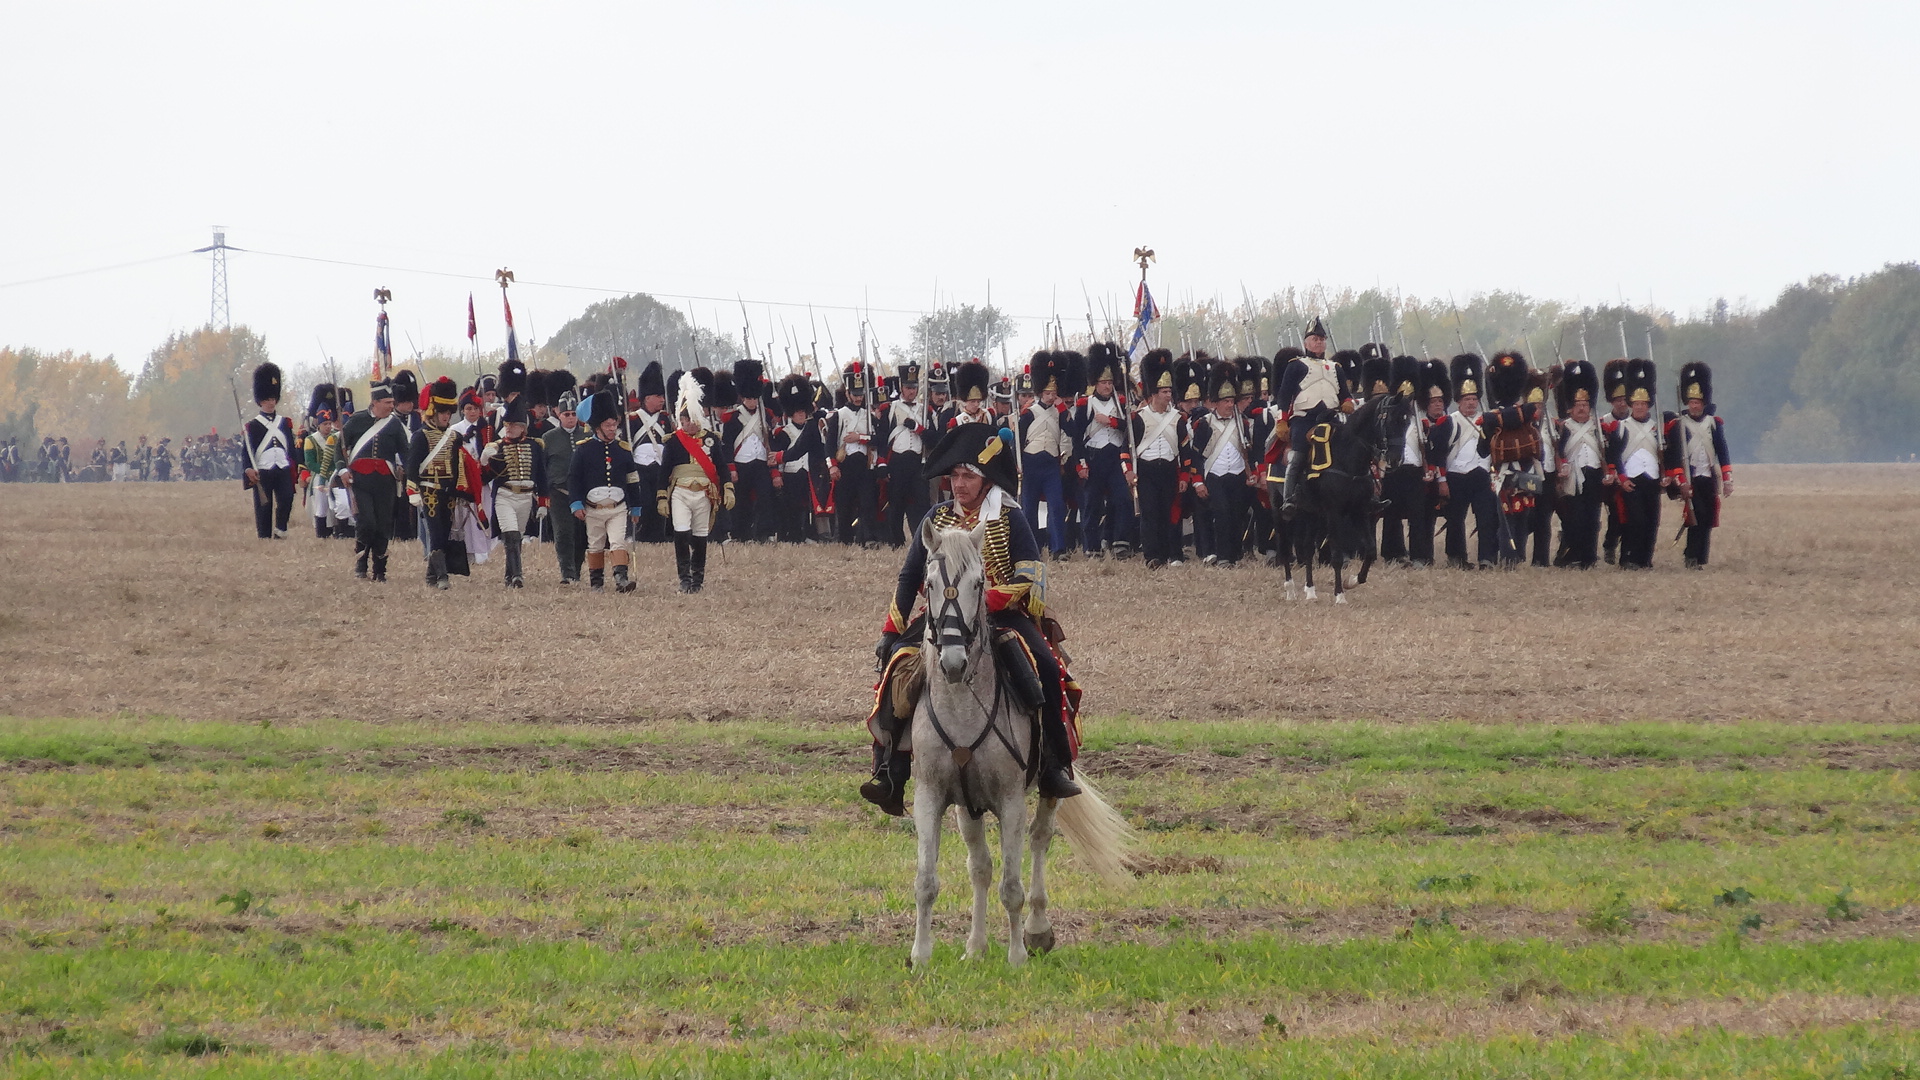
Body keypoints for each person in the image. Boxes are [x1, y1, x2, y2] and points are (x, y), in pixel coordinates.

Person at [862, 422, 1083, 817]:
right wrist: (891, 627)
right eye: (955, 476)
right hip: (944, 617)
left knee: (1047, 668)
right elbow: (910, 575)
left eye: (968, 476)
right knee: (896, 666)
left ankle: (1054, 763)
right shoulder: (938, 517)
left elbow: (1031, 572)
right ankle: (889, 769)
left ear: (986, 481)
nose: (959, 484)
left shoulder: (1009, 516)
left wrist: (990, 600)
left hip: (1003, 616)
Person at [659, 371, 734, 593]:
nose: (689, 424)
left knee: (701, 535)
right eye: (685, 420)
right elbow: (664, 471)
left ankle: (697, 580)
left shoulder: (711, 438)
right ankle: (684, 578)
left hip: (705, 492)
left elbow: (721, 467)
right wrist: (662, 495)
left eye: (692, 419)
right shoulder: (673, 442)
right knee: (681, 533)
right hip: (681, 492)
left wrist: (727, 488)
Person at [567, 388, 647, 594]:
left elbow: (632, 480)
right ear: (597, 427)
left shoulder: (623, 449)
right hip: (593, 508)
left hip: (618, 507)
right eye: (607, 425)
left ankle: (621, 578)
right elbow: (573, 479)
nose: (612, 429)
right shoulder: (583, 450)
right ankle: (596, 582)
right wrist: (575, 503)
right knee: (595, 544)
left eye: (614, 424)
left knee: (618, 541)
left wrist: (636, 506)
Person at [1275, 319, 1353, 520]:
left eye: (1321, 339)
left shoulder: (1336, 367)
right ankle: (1289, 498)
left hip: (1331, 420)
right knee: (1298, 456)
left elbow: (1345, 393)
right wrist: (1282, 421)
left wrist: (1347, 402)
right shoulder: (1296, 366)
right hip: (1305, 420)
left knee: (1351, 451)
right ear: (1307, 343)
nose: (1319, 343)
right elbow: (1284, 396)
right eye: (1315, 339)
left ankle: (1363, 493)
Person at [409, 376, 482, 589]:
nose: (446, 416)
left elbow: (459, 464)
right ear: (433, 412)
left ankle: (432, 575)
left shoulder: (453, 437)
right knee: (436, 533)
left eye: (449, 413)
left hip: (448, 493)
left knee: (445, 530)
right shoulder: (420, 436)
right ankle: (443, 577)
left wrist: (462, 489)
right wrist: (412, 490)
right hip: (429, 491)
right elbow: (412, 465)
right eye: (443, 412)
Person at [1430, 354, 1500, 569]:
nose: (1471, 403)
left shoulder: (1488, 420)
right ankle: (1456, 558)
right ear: (1459, 401)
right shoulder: (1447, 422)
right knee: (1455, 521)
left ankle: (1487, 558)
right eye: (1466, 400)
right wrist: (1442, 480)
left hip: (1482, 476)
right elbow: (1438, 454)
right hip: (1455, 476)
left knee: (1487, 519)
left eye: (1474, 399)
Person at [338, 379, 410, 582]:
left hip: (385, 482)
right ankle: (361, 562)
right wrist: (342, 469)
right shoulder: (356, 420)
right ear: (375, 402)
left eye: (392, 402)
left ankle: (380, 569)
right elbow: (340, 448)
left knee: (383, 525)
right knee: (367, 521)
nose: (391, 406)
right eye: (387, 402)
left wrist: (411, 475)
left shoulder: (394, 424)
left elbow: (405, 452)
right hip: (360, 481)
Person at [1666, 361, 1733, 569]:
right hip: (1690, 478)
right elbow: (1675, 454)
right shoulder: (1679, 424)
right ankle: (1691, 555)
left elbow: (1722, 451)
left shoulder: (1714, 423)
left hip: (1708, 477)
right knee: (1696, 515)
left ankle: (1700, 557)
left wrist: (1728, 479)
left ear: (1704, 403)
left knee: (1708, 518)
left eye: (1698, 402)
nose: (1694, 406)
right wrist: (1680, 480)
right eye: (1692, 402)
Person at [1073, 344, 1136, 559]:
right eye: (1103, 382)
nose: (1107, 386)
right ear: (1096, 383)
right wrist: (1080, 464)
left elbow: (1129, 428)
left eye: (1110, 382)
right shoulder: (1085, 404)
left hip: (1115, 457)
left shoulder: (1121, 403)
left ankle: (1120, 541)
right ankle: (1091, 546)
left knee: (1123, 500)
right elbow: (1077, 437)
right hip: (1094, 457)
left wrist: (1110, 421)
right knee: (1092, 504)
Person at [1190, 359, 1254, 567]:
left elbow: (1248, 451)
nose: (1229, 405)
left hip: (1236, 475)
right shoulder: (1204, 424)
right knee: (1222, 514)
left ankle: (1233, 555)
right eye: (1225, 401)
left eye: (1231, 401)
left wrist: (1251, 472)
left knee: (1237, 516)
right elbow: (1196, 456)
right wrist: (1198, 481)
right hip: (1214, 475)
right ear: (1216, 402)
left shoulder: (1242, 422)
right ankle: (1223, 556)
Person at [480, 394, 549, 588]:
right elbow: (486, 478)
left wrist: (543, 502)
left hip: (526, 497)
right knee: (510, 534)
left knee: (517, 537)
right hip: (505, 496)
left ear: (523, 427)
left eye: (513, 425)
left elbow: (542, 476)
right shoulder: (497, 447)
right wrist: (485, 461)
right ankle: (518, 575)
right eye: (507, 425)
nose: (509, 428)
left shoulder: (535, 446)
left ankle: (509, 575)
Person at [1130, 349, 1190, 569]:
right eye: (1164, 391)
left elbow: (1185, 451)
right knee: (1149, 513)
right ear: (1153, 394)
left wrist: (1184, 475)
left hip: (1168, 469)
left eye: (1169, 391)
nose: (1168, 395)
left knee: (1168, 512)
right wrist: (1129, 470)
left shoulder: (1178, 419)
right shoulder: (1138, 418)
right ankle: (1151, 555)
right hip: (1146, 470)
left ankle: (1168, 553)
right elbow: (1129, 448)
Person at [1604, 359, 1664, 570]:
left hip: (1653, 480)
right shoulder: (1621, 427)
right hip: (1631, 480)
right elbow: (1614, 455)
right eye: (1636, 404)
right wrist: (1622, 478)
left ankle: (1645, 559)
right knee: (1634, 521)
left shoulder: (1657, 427)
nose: (1639, 407)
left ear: (1648, 405)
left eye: (1643, 404)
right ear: (1631, 405)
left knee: (1651, 521)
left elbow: (1664, 455)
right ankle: (1628, 557)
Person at [1550, 360, 1606, 569]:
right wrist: (1562, 467)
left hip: (1594, 476)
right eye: (1578, 405)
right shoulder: (1563, 428)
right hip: (1572, 477)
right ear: (1570, 409)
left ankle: (1589, 557)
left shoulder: (1599, 428)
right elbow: (1559, 451)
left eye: (1585, 405)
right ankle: (1571, 554)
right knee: (1575, 520)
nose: (1582, 408)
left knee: (1593, 520)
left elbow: (1606, 451)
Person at [1018, 351, 1073, 560]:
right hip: (1031, 463)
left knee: (1057, 506)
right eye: (1048, 393)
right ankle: (1030, 549)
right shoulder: (1029, 413)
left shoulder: (1060, 412)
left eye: (1054, 392)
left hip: (1051, 463)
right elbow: (1019, 439)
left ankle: (1058, 548)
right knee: (1029, 509)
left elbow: (1071, 430)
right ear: (1041, 392)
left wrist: (1061, 407)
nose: (1051, 396)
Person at [541, 375, 591, 584]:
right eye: (566, 414)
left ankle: (577, 571)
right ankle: (567, 573)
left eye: (573, 414)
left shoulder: (587, 435)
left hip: (583, 492)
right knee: (563, 534)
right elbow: (542, 468)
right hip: (558, 492)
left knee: (581, 536)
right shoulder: (548, 438)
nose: (570, 418)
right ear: (558, 414)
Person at [827, 361, 880, 547]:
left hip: (864, 465)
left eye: (861, 395)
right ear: (848, 393)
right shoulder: (838, 416)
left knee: (867, 503)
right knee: (844, 506)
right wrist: (832, 465)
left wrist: (860, 437)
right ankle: (844, 540)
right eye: (855, 395)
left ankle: (868, 538)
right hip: (845, 464)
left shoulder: (869, 415)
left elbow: (878, 439)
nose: (858, 399)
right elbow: (829, 444)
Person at [243, 362, 298, 539]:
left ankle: (281, 529)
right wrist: (248, 469)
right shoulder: (252, 426)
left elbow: (290, 446)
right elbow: (247, 451)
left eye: (273, 399)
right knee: (263, 505)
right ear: (260, 401)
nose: (271, 403)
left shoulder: (284, 423)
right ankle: (264, 536)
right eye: (267, 400)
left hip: (282, 467)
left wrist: (298, 466)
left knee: (287, 499)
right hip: (263, 469)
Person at [723, 360, 776, 543]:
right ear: (743, 397)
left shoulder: (766, 414)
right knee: (741, 502)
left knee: (764, 499)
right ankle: (740, 534)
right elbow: (728, 445)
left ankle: (763, 533)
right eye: (749, 398)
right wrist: (732, 468)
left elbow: (771, 441)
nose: (752, 401)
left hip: (761, 462)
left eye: (754, 398)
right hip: (741, 463)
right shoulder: (732, 417)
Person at [878, 362, 931, 547]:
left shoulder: (925, 410)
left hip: (917, 461)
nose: (911, 391)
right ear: (901, 387)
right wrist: (882, 463)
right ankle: (896, 541)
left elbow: (933, 438)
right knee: (896, 504)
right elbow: (882, 437)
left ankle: (921, 540)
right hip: (897, 461)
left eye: (914, 388)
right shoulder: (889, 409)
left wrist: (918, 428)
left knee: (921, 504)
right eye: (908, 388)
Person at [626, 362, 672, 544]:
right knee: (643, 502)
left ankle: (658, 537)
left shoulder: (665, 419)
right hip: (640, 468)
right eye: (657, 396)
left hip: (660, 467)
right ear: (646, 398)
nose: (662, 400)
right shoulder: (633, 419)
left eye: (662, 396)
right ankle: (638, 536)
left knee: (659, 501)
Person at [1600, 359, 1630, 564]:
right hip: (1611, 474)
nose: (1621, 403)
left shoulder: (1636, 420)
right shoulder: (1604, 422)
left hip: (1632, 472)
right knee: (1616, 515)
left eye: (1624, 399)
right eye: (1617, 400)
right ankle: (1610, 545)